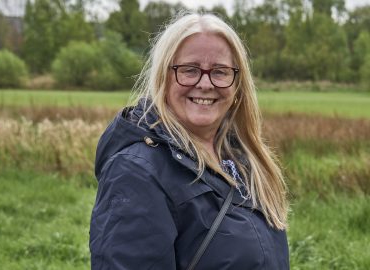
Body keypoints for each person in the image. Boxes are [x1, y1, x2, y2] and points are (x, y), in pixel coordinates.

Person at [90, 12, 289, 270]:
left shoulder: (240, 159)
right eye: (189, 70)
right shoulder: (136, 172)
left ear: (238, 83)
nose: (205, 83)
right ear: (164, 77)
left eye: (220, 71)